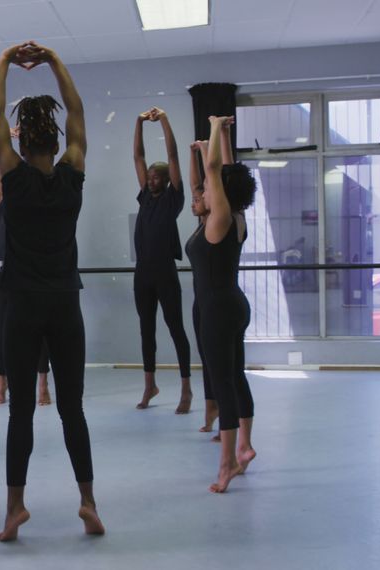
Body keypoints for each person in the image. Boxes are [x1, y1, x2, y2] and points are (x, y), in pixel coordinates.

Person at [0, 41, 104, 542]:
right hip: (63, 306)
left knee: (19, 413)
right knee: (72, 407)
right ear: (55, 141)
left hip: (22, 307)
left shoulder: (10, 178)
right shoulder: (72, 176)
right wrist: (56, 61)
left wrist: (4, 62)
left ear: (22, 143)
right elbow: (77, 111)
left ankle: (14, 508)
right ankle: (88, 501)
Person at [186, 115, 257, 493]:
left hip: (217, 310)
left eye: (209, 190)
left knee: (223, 382)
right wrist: (223, 137)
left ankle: (226, 463)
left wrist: (214, 127)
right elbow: (227, 170)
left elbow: (216, 170)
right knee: (235, 376)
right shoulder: (237, 218)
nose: (204, 192)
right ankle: (244, 446)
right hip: (233, 305)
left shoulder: (220, 219)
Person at [132, 107, 193, 413]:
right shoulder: (144, 196)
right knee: (147, 329)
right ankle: (150, 385)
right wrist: (139, 122)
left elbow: (173, 155)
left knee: (175, 327)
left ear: (167, 180)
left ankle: (186, 388)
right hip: (142, 272)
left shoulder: (174, 198)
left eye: (157, 177)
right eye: (150, 177)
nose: (151, 179)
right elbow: (138, 158)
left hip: (165, 272)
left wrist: (166, 120)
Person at [0, 163, 53, 406]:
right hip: (9, 273)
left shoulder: (38, 207)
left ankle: (43, 384)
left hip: (35, 274)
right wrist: (2, 150)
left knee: (41, 333)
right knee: (2, 332)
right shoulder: (5, 205)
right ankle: (2, 384)